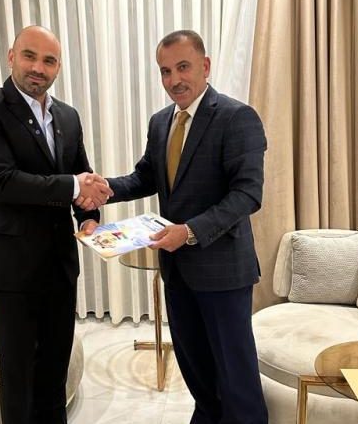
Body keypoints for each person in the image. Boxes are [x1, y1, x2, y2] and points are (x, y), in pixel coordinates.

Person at [104, 30, 269, 423]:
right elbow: (145, 177)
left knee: (236, 378)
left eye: (183, 67)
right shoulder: (160, 122)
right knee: (196, 371)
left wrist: (189, 231)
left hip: (223, 272)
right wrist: (104, 189)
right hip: (177, 273)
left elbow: (247, 194)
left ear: (205, 66)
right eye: (165, 71)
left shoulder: (237, 117)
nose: (174, 79)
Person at [0, 25, 111, 424]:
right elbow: (2, 182)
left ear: (58, 67)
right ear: (11, 56)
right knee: (18, 373)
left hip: (58, 264)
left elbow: (80, 173)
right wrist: (76, 186)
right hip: (11, 266)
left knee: (54, 368)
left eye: (49, 61)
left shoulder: (68, 116)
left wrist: (90, 216)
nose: (38, 68)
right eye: (30, 56)